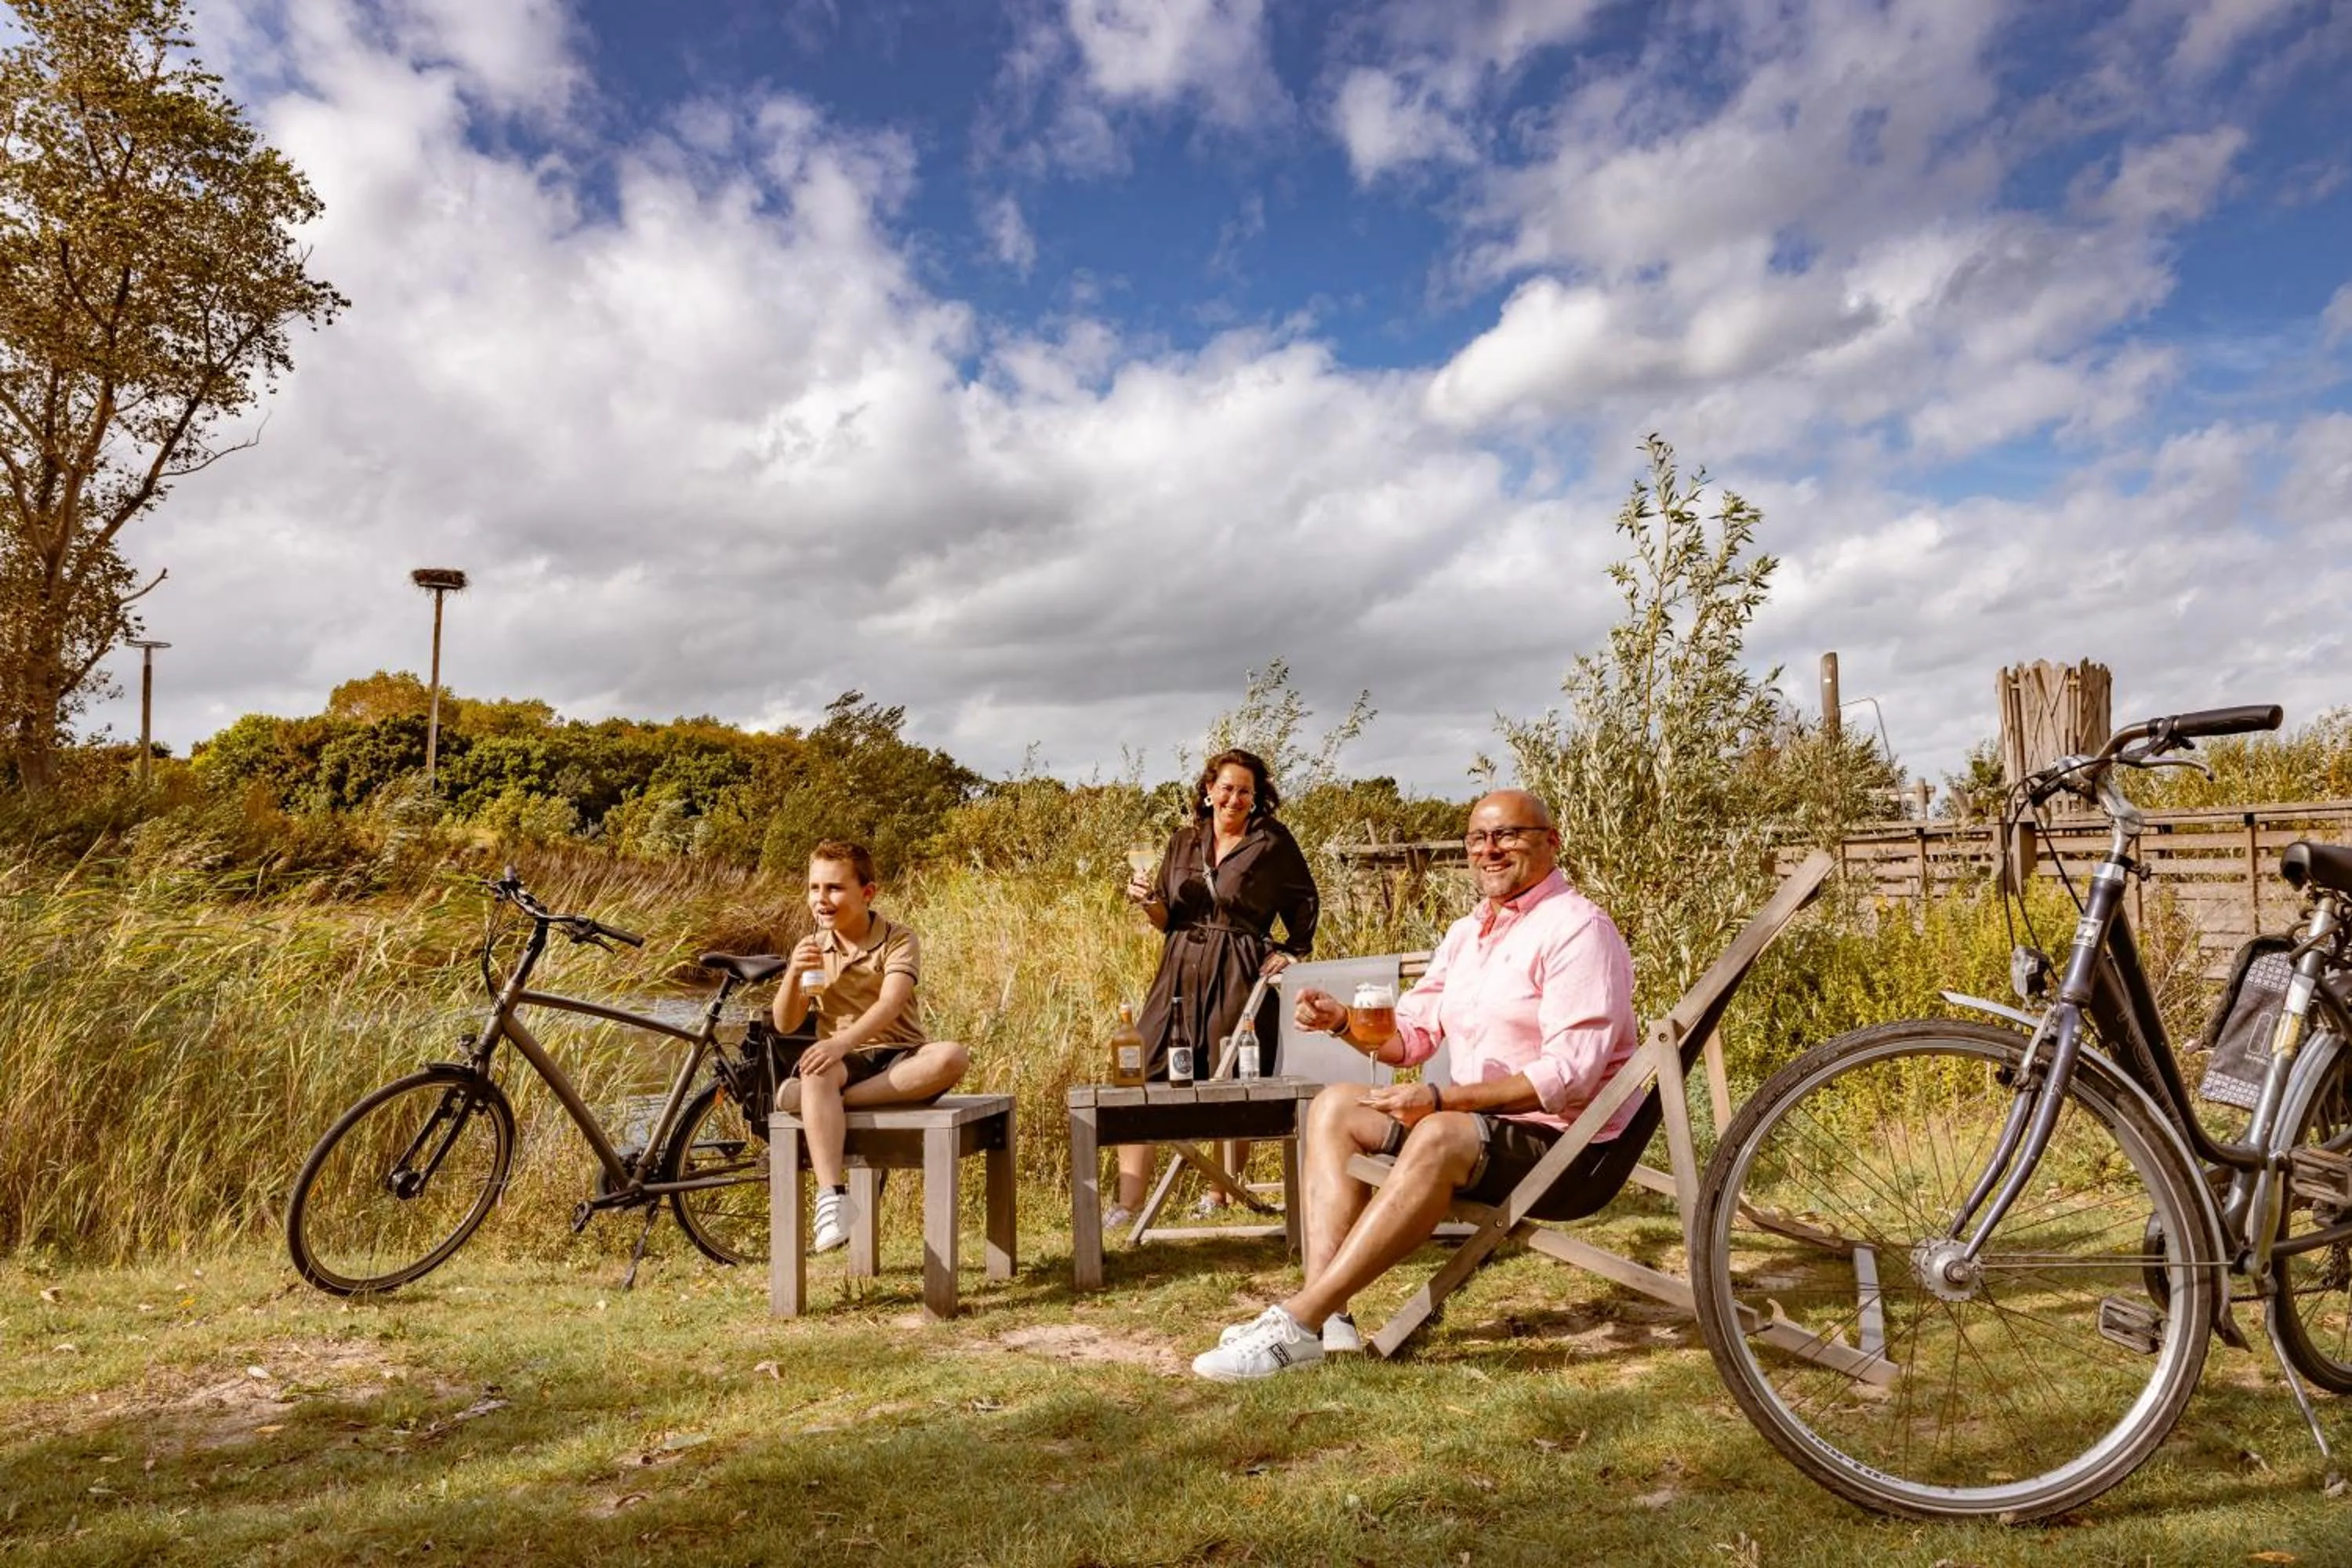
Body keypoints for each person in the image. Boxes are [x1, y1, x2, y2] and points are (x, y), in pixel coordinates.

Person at [1189, 788, 1637, 1381]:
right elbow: (1413, 1039)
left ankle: (1297, 1319)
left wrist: (1439, 1099)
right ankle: (1330, 1322)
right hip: (1483, 1130)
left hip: (1567, 1151)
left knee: (1441, 1134)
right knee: (1334, 1107)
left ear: (1551, 843)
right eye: (1478, 838)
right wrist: (1344, 1022)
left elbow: (1570, 1076)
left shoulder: (1579, 930)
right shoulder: (1467, 934)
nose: (1490, 849)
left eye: (1508, 835)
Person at [1112, 748, 1319, 1226]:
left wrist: (1292, 949)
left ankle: (1218, 1194)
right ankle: (1127, 1204)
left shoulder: (1272, 842)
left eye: (1245, 790)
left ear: (1256, 796)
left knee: (1230, 1072)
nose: (1234, 797)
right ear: (1208, 790)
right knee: (1140, 1066)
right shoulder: (1183, 841)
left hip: (1238, 967)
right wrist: (1147, 903)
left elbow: (1305, 900)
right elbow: (1167, 917)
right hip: (1179, 964)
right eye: (1226, 787)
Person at [774, 839, 970, 1254]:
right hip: (846, 1062)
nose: (821, 899)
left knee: (952, 1055)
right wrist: (793, 973)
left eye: (834, 888)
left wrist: (840, 1042)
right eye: (814, 888)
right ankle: (833, 1198)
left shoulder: (898, 938)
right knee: (818, 1071)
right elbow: (786, 1022)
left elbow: (890, 1003)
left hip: (899, 1057)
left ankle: (822, 1103)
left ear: (867, 893)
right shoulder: (814, 946)